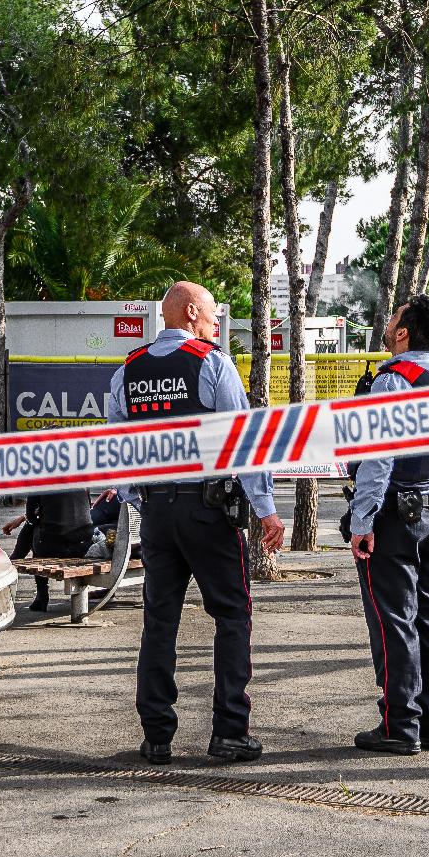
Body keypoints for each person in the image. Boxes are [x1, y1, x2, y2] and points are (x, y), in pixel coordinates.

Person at [108, 281, 284, 764]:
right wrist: (265, 509)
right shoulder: (211, 362)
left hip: (158, 515)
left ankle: (156, 736)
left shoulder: (128, 370)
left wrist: (136, 499)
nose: (214, 325)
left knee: (159, 623)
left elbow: (116, 451)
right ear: (190, 313)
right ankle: (229, 730)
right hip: (207, 512)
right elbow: (244, 440)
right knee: (232, 616)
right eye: (210, 316)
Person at [346, 294, 429, 756]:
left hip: (397, 514)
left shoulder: (393, 381)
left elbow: (378, 459)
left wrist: (362, 519)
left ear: (403, 333)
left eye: (392, 319)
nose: (387, 324)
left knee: (396, 619)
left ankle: (399, 724)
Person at [3, 489, 95, 614]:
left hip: (52, 548)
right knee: (40, 528)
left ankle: (41, 593)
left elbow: (31, 516)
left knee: (32, 527)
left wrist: (37, 521)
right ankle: (15, 560)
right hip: (82, 547)